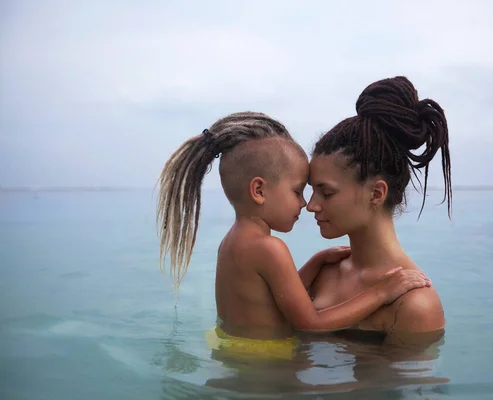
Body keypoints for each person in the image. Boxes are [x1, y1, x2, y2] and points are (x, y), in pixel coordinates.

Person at [155, 111, 432, 359]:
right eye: (298, 191)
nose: (306, 203)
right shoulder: (270, 247)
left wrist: (316, 261)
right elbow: (309, 322)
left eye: (326, 191)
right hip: (268, 370)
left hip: (232, 355)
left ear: (377, 194)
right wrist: (382, 291)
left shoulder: (232, 241)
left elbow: (273, 296)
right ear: (259, 191)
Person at [306, 76, 452, 344]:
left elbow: (402, 386)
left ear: (376, 193)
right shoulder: (322, 271)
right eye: (311, 190)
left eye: (326, 192)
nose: (311, 205)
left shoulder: (414, 304)